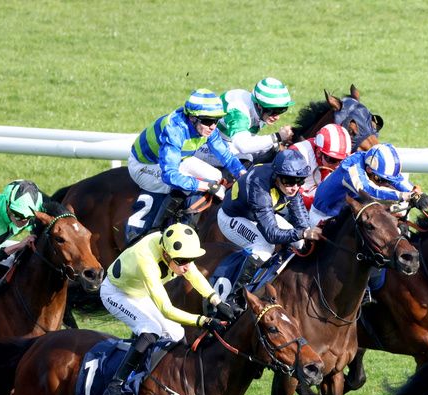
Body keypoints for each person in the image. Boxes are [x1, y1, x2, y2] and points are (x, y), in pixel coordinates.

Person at [100, 222, 237, 395]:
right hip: (115, 293)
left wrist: (217, 301)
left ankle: (172, 381)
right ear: (165, 254)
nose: (186, 266)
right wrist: (203, 321)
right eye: (181, 262)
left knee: (177, 334)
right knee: (150, 329)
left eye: (190, 260)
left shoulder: (178, 254)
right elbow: (167, 310)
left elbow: (194, 276)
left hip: (138, 293)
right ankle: (115, 386)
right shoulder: (145, 258)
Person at [125, 88, 248, 242]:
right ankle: (153, 229)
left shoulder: (206, 128)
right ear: (192, 118)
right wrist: (205, 186)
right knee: (184, 184)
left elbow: (225, 155)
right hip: (145, 166)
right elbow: (170, 175)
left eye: (216, 121)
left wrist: (242, 174)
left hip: (178, 159)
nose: (213, 126)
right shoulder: (174, 129)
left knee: (215, 176)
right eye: (208, 121)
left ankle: (185, 218)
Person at [218, 148, 324, 276]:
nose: (294, 188)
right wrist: (303, 233)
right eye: (289, 182)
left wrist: (306, 231)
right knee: (265, 248)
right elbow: (271, 235)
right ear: (277, 176)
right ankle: (238, 292)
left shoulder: (287, 180)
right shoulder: (259, 186)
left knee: (300, 242)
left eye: (299, 181)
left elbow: (300, 215)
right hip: (232, 217)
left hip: (257, 215)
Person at [310, 142, 428, 224]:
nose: (386, 184)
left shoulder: (372, 164)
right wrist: (404, 196)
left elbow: (398, 181)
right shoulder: (351, 169)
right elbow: (370, 191)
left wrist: (417, 193)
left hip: (348, 214)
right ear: (369, 169)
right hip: (323, 216)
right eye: (382, 180)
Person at [200, 78, 297, 166]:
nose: (277, 117)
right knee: (245, 159)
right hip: (203, 145)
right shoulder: (239, 113)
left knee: (274, 148)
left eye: (282, 110)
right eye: (273, 111)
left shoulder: (256, 107)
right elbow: (243, 146)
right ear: (259, 105)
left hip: (226, 140)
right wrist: (277, 136)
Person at [289, 123, 351, 209]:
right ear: (318, 153)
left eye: (342, 161)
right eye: (332, 160)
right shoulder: (298, 154)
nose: (337, 166)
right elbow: (289, 192)